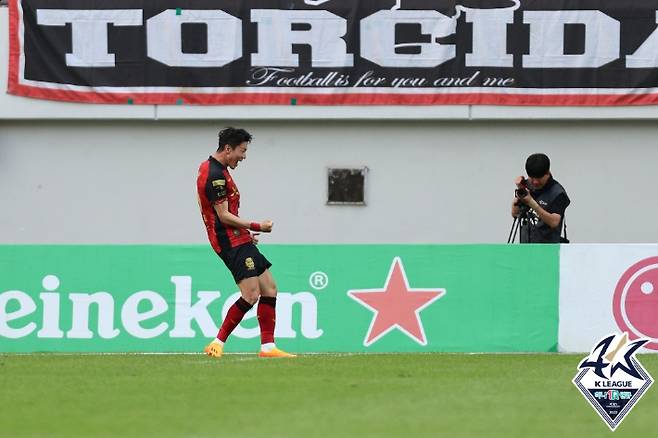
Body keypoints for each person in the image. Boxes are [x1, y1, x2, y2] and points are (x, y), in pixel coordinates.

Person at [197, 127, 295, 358]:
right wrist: (257, 226)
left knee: (269, 288)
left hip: (236, 237)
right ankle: (217, 343)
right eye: (242, 151)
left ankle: (268, 347)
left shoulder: (213, 168)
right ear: (228, 148)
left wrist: (243, 233)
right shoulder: (215, 175)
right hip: (229, 241)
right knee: (251, 295)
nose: (244, 156)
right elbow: (222, 215)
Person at [511, 153, 570, 243]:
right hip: (525, 247)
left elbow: (554, 222)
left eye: (539, 178)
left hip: (547, 249)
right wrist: (520, 190)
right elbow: (515, 214)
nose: (535, 182)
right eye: (531, 178)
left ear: (547, 173)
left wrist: (532, 203)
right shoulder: (527, 185)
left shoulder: (557, 193)